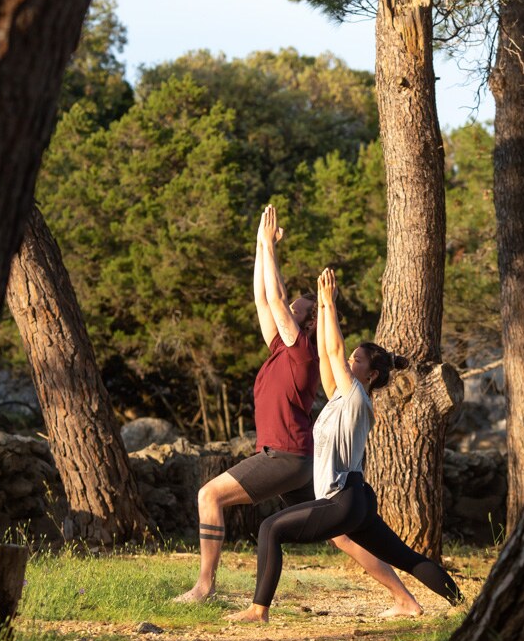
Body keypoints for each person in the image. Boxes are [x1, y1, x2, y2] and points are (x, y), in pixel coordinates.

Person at [175, 206, 422, 616]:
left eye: (297, 310)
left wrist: (270, 247)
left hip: (286, 456)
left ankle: (204, 586)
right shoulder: (280, 349)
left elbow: (274, 296)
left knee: (209, 495)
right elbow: (262, 296)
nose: (286, 309)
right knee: (342, 535)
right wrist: (260, 244)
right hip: (300, 458)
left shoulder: (302, 354)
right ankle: (405, 601)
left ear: (306, 325)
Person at [230, 267, 463, 623]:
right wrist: (324, 310)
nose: (349, 361)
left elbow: (335, 350)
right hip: (356, 498)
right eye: (351, 358)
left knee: (270, 528)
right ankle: (461, 607)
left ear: (370, 375)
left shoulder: (357, 397)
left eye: (357, 360)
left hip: (341, 499)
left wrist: (328, 305)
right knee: (407, 557)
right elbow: (326, 355)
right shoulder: (340, 396)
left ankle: (257, 610)